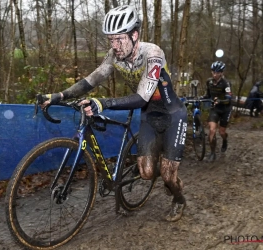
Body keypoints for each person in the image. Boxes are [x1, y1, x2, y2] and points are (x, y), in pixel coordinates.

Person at [40, 5, 188, 222]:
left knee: (167, 174)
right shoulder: (114, 56)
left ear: (134, 35)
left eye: (119, 39)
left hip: (173, 115)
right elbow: (92, 80)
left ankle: (178, 197)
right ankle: (165, 173)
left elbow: (142, 97)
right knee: (146, 173)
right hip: (149, 116)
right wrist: (59, 96)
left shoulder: (153, 54)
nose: (115, 45)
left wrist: (104, 103)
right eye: (111, 40)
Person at [202, 61, 232, 162]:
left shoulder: (226, 83)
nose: (215, 74)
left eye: (217, 72)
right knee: (212, 130)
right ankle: (212, 153)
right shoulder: (209, 82)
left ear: (221, 73)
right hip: (215, 109)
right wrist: (201, 98)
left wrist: (220, 101)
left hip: (225, 109)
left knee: (221, 132)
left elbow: (229, 98)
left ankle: (224, 139)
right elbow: (207, 95)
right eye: (213, 72)